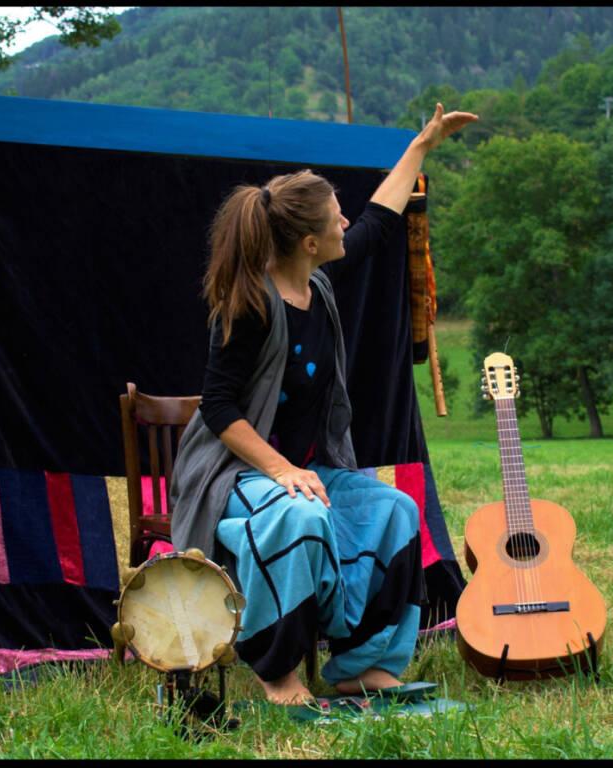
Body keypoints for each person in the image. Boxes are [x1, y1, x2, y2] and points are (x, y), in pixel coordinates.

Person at [170, 103, 478, 705]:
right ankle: (277, 673)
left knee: (394, 509)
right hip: (234, 476)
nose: (346, 225)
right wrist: (281, 471)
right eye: (336, 220)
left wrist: (422, 145)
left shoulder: (319, 284)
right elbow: (219, 406)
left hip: (302, 475)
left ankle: (360, 665)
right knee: (301, 516)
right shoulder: (252, 304)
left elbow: (379, 221)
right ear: (310, 242)